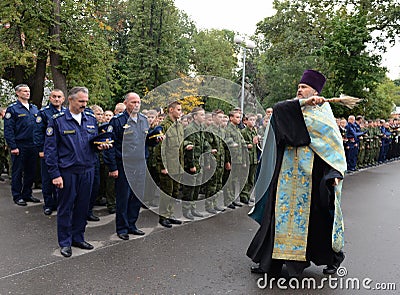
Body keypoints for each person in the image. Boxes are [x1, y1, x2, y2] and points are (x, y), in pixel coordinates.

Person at [247, 70, 347, 277]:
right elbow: (278, 111)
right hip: (285, 175)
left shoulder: (323, 114)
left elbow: (333, 147)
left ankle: (333, 259)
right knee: (277, 217)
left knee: (318, 219)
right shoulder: (294, 108)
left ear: (315, 90)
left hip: (312, 177)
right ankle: (270, 264)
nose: (299, 90)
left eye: (304, 87)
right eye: (299, 87)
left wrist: (335, 172)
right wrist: (304, 103)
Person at [44, 87, 111, 257]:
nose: (84, 105)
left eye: (86, 102)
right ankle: (65, 242)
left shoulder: (89, 118)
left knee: (83, 206)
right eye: (81, 101)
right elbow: (50, 150)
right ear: (70, 100)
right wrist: (55, 174)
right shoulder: (58, 120)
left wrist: (100, 147)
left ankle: (78, 237)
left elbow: (93, 143)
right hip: (67, 172)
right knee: (66, 207)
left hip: (87, 169)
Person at [104, 92, 148, 240]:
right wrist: (112, 167)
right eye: (133, 102)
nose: (136, 105)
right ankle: (122, 228)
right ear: (126, 103)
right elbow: (109, 145)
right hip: (124, 164)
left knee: (137, 197)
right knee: (123, 197)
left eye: (138, 102)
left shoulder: (143, 120)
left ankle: (132, 224)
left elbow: (145, 142)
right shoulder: (117, 121)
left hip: (140, 164)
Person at [4, 84, 40, 206]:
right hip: (20, 144)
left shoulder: (34, 108)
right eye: (24, 91)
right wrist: (13, 146)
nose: (27, 93)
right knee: (18, 171)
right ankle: (17, 195)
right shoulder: (13, 109)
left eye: (28, 91)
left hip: (33, 144)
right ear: (18, 93)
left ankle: (27, 193)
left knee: (31, 171)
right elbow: (8, 130)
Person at [34, 89, 66, 215]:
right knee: (48, 178)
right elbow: (38, 133)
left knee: (61, 178)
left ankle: (59, 203)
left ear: (63, 99)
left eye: (59, 97)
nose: (57, 99)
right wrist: (41, 150)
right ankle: (48, 204)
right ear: (50, 98)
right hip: (48, 152)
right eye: (54, 97)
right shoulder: (43, 113)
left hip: (63, 152)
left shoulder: (66, 112)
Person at [154, 101, 184, 228]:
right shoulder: (163, 126)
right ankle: (163, 216)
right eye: (178, 109)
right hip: (168, 166)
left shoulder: (179, 125)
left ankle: (171, 214)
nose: (180, 112)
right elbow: (160, 148)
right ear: (171, 110)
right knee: (167, 191)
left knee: (175, 192)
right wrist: (162, 166)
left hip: (177, 165)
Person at [182, 107, 212, 219]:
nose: (204, 117)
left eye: (204, 114)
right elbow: (189, 149)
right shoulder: (190, 129)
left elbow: (204, 144)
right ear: (195, 117)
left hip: (200, 162)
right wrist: (191, 165)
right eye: (201, 115)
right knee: (189, 188)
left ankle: (193, 208)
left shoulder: (201, 128)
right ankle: (186, 210)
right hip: (192, 163)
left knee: (196, 187)